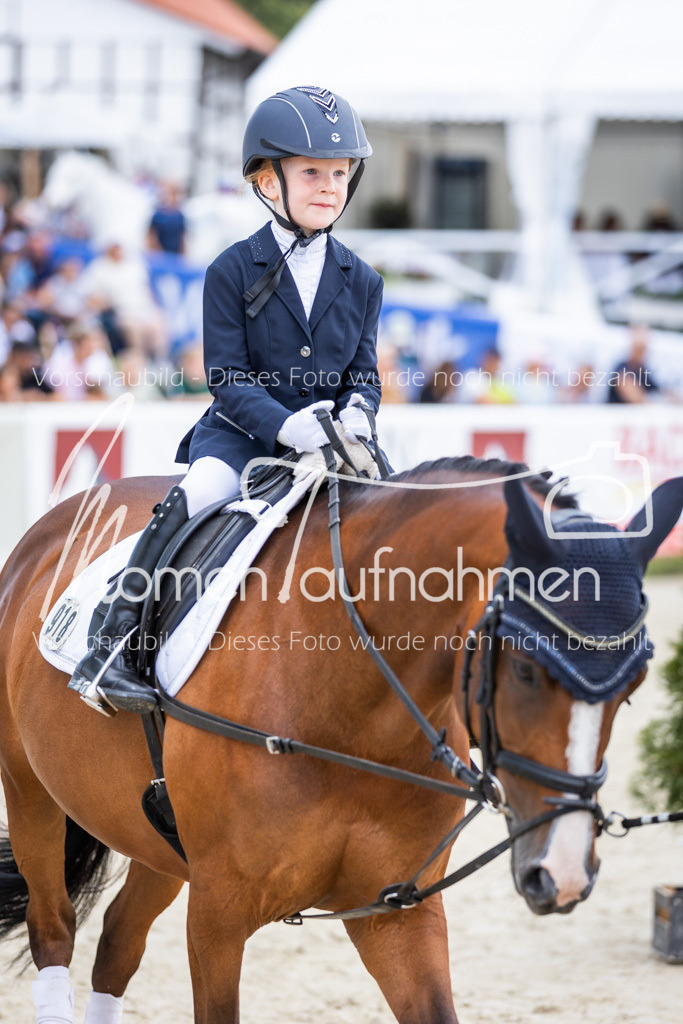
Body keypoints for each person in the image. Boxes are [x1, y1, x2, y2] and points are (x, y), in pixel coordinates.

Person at [70, 85, 383, 716]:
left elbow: (365, 374)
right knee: (200, 494)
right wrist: (289, 427)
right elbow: (228, 379)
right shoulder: (231, 270)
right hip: (242, 438)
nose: (330, 186)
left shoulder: (364, 279)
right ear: (268, 181)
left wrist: (357, 412)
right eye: (313, 172)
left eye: (341, 174)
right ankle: (112, 641)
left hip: (335, 443)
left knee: (397, 518)